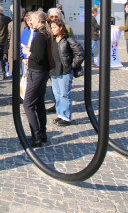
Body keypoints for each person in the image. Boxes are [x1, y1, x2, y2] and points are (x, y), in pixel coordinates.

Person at [22, 11, 52, 147]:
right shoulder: (44, 34)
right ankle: (42, 133)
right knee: (39, 103)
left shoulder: (40, 36)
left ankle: (36, 136)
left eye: (32, 20)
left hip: (38, 73)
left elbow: (38, 57)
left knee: (28, 104)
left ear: (39, 21)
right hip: (41, 72)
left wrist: (28, 53)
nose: (30, 22)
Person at [48, 18, 83, 126]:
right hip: (54, 70)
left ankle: (66, 117)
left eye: (54, 27)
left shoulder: (68, 39)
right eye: (52, 27)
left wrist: (72, 65)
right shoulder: (52, 39)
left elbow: (80, 53)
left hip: (64, 70)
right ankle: (60, 114)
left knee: (64, 94)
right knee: (57, 94)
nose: (52, 29)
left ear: (61, 27)